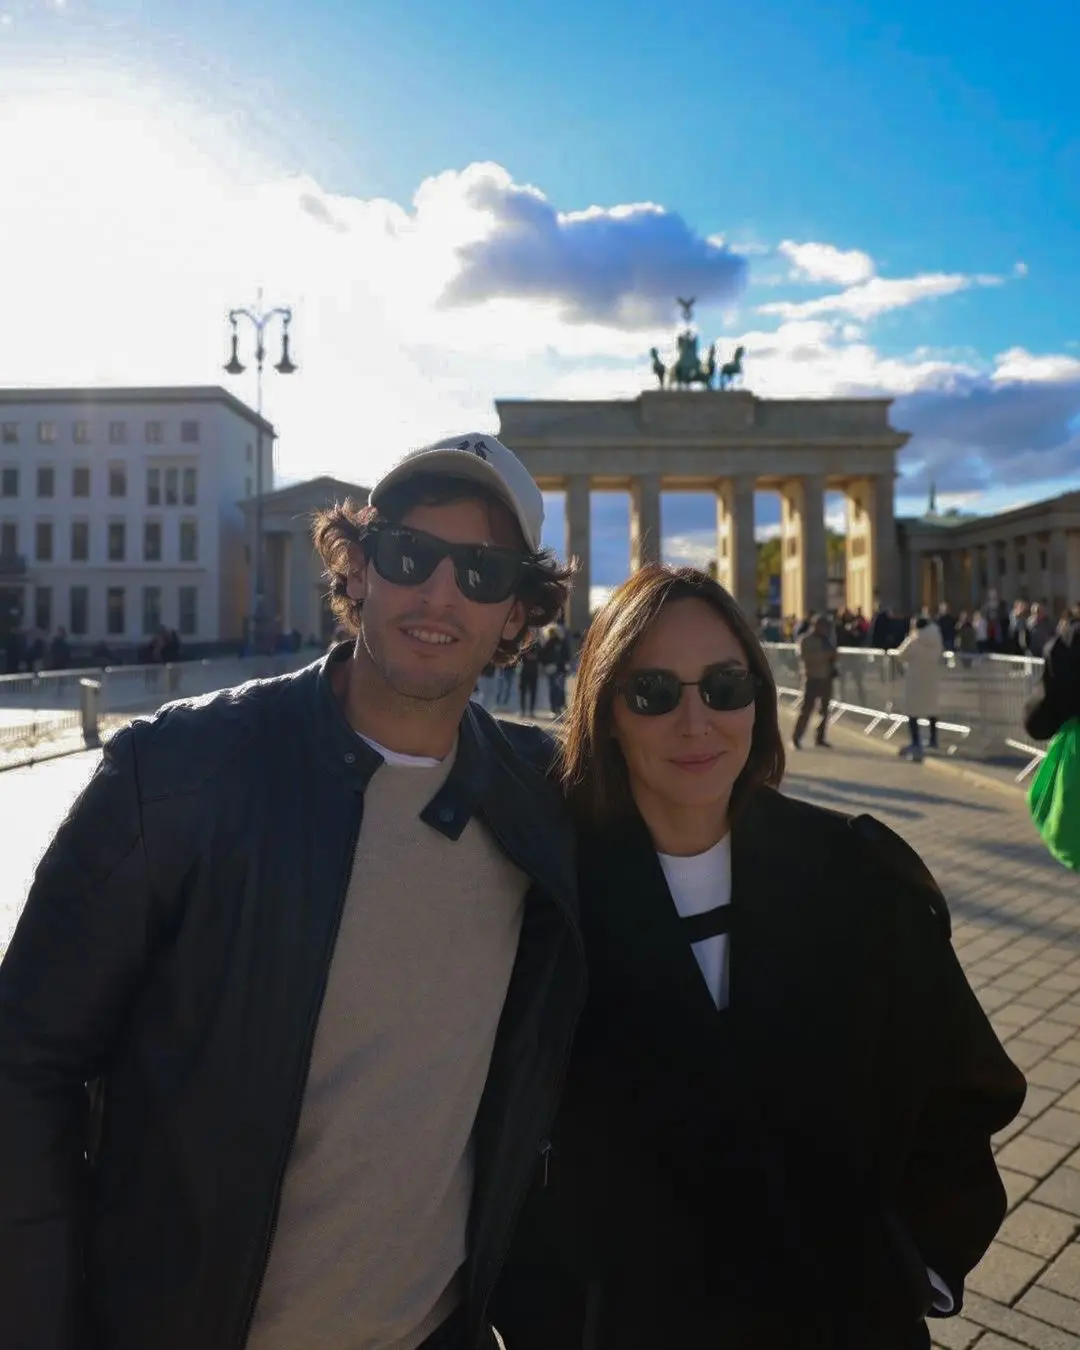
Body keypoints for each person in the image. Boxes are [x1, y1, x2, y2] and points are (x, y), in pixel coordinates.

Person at [0, 432, 584, 1350]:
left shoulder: (543, 804)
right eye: (408, 555)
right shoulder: (178, 772)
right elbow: (23, 1064)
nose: (440, 593)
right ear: (356, 570)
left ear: (518, 612)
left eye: (482, 571)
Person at [495, 564, 1026, 1350]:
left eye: (724, 685)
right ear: (604, 710)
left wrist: (917, 1263)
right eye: (652, 693)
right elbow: (494, 1136)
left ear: (758, 696)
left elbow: (961, 1087)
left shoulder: (856, 875)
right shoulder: (545, 901)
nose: (696, 721)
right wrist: (553, 1317)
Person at [896, 614, 944, 760]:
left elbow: (900, 654)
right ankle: (933, 739)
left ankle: (916, 741)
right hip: (932, 678)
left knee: (912, 711)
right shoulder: (936, 638)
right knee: (932, 709)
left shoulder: (914, 640)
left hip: (915, 679)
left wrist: (910, 636)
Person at [792, 612, 836, 749]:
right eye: (823, 626)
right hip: (812, 678)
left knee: (824, 710)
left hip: (826, 677)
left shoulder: (827, 640)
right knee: (806, 710)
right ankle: (796, 738)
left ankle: (820, 737)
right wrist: (825, 655)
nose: (826, 629)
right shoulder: (805, 640)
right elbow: (806, 658)